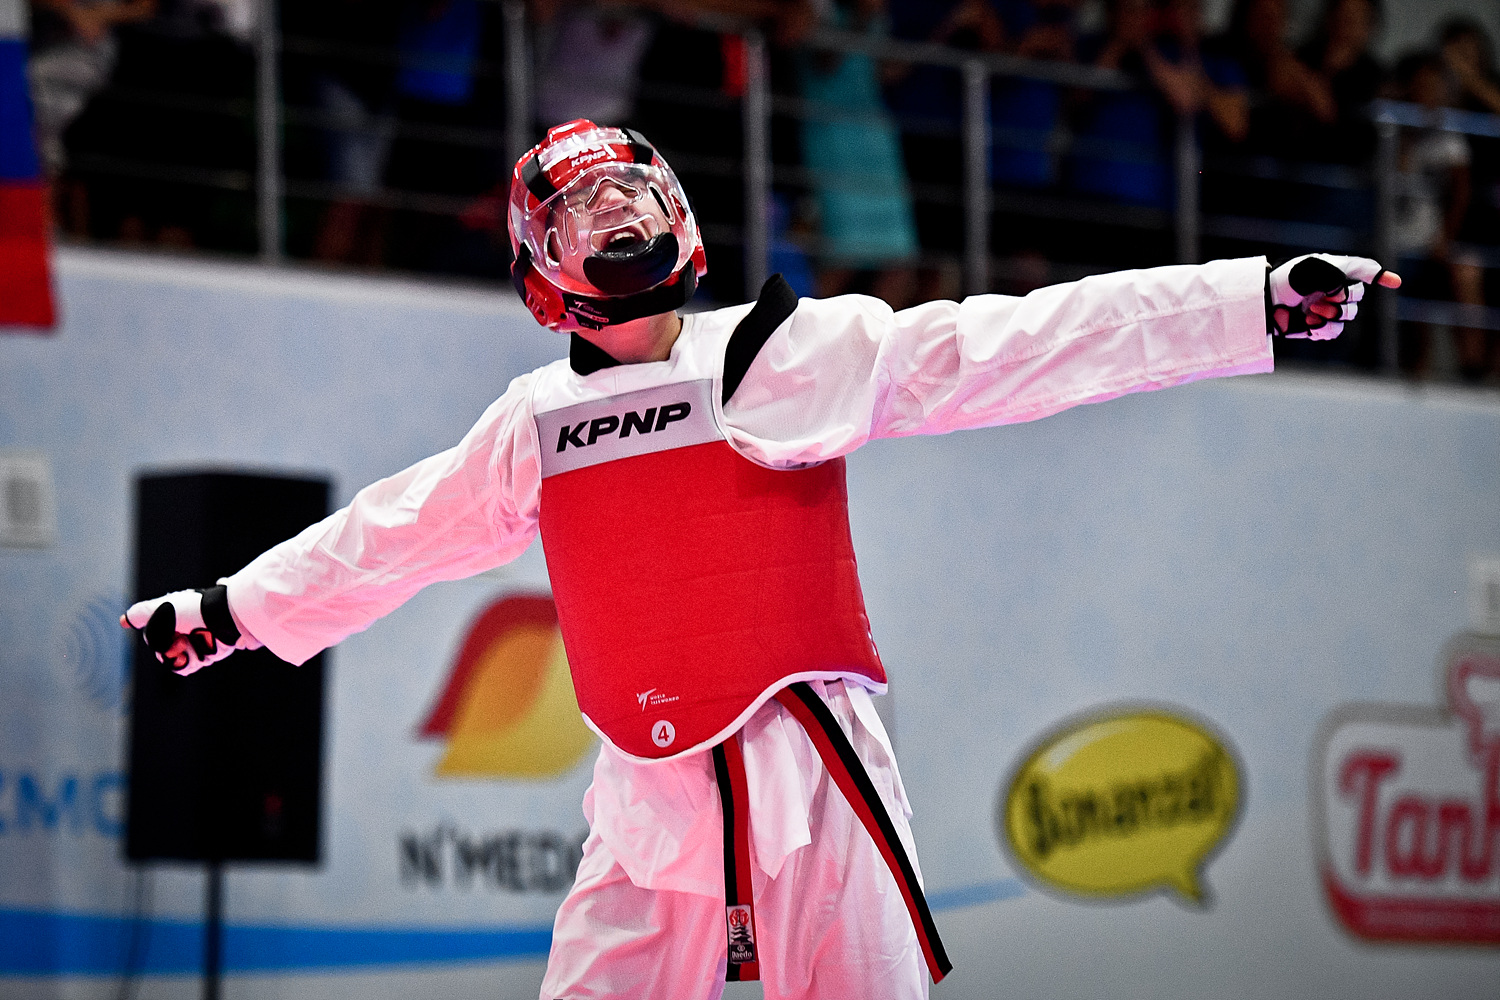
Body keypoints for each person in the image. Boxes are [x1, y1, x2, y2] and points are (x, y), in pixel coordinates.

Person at [121, 119, 1399, 1000]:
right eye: (582, 215)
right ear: (542, 269)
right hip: (645, 803)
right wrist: (231, 607)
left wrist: (1249, 301)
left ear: (678, 218)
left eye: (632, 198)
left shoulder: (778, 354)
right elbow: (393, 532)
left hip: (815, 782)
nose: (615, 222)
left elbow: (1015, 343)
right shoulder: (535, 424)